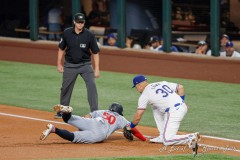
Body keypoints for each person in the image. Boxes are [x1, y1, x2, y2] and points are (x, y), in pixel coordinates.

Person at [128, 75, 200, 156]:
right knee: (155, 106)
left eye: (136, 87)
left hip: (174, 112)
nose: (137, 89)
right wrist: (181, 101)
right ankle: (162, 135)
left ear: (139, 85)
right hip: (180, 107)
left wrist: (129, 126)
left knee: (168, 140)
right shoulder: (161, 83)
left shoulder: (145, 95)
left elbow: (138, 116)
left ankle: (191, 137)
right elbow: (180, 87)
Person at [55, 13, 100, 118]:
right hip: (70, 65)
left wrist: (97, 68)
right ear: (74, 22)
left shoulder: (89, 35)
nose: (80, 24)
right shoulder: (67, 33)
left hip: (86, 65)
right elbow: (61, 48)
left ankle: (95, 112)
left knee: (92, 86)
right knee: (65, 88)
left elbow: (95, 52)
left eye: (82, 22)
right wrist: (59, 63)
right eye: (78, 22)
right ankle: (63, 110)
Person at [40, 103, 146, 143]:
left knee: (69, 119)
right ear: (119, 112)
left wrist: (82, 125)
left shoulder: (102, 111)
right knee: (73, 137)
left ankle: (66, 111)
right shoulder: (121, 119)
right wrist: (143, 138)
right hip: (99, 133)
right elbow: (133, 128)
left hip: (92, 122)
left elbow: (87, 117)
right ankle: (54, 129)